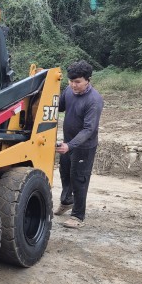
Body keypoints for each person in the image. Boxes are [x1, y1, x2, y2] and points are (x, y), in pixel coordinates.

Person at [54, 60, 104, 229]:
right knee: (65, 173)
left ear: (88, 80)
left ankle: (77, 216)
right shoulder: (68, 91)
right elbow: (58, 107)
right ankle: (67, 201)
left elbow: (89, 129)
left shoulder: (94, 100)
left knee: (79, 179)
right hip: (68, 143)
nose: (73, 85)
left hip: (84, 146)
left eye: (77, 82)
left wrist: (70, 145)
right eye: (71, 81)